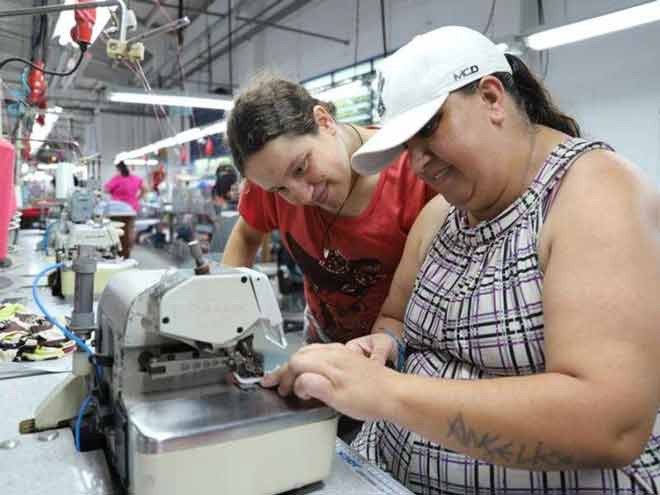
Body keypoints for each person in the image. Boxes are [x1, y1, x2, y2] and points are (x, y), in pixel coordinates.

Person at [261, 26, 660, 493]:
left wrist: (388, 393)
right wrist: (384, 347)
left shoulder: (593, 194)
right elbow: (394, 318)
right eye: (408, 150)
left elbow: (610, 425)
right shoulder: (443, 214)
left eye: (428, 133)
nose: (418, 165)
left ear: (492, 98)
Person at [222, 74, 436, 344]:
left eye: (301, 168)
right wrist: (228, 320)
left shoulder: (416, 174)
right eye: (281, 190)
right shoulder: (271, 174)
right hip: (322, 337)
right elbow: (246, 236)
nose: (302, 195)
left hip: (404, 344)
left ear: (324, 121)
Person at [104, 161, 149, 258]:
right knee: (129, 231)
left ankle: (117, 252)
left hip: (116, 210)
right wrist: (137, 198)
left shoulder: (117, 179)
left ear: (118, 169)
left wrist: (114, 193)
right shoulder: (136, 178)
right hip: (131, 209)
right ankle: (127, 252)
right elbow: (145, 189)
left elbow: (106, 189)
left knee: (116, 231)